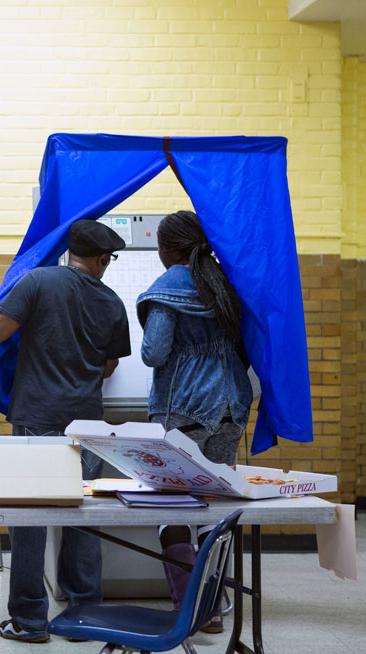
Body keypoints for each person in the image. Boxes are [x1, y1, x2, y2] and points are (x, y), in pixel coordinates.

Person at [0, 218, 132, 643]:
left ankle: (31, 622)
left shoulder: (38, 281)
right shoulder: (111, 301)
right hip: (87, 420)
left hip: (37, 418)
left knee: (30, 517)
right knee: (81, 516)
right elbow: (108, 366)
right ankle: (84, 615)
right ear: (102, 258)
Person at [137, 210, 253, 633]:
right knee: (215, 507)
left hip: (184, 408)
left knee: (172, 506)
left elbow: (154, 353)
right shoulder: (225, 281)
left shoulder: (169, 285)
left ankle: (189, 608)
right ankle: (215, 607)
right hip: (230, 407)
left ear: (167, 248)